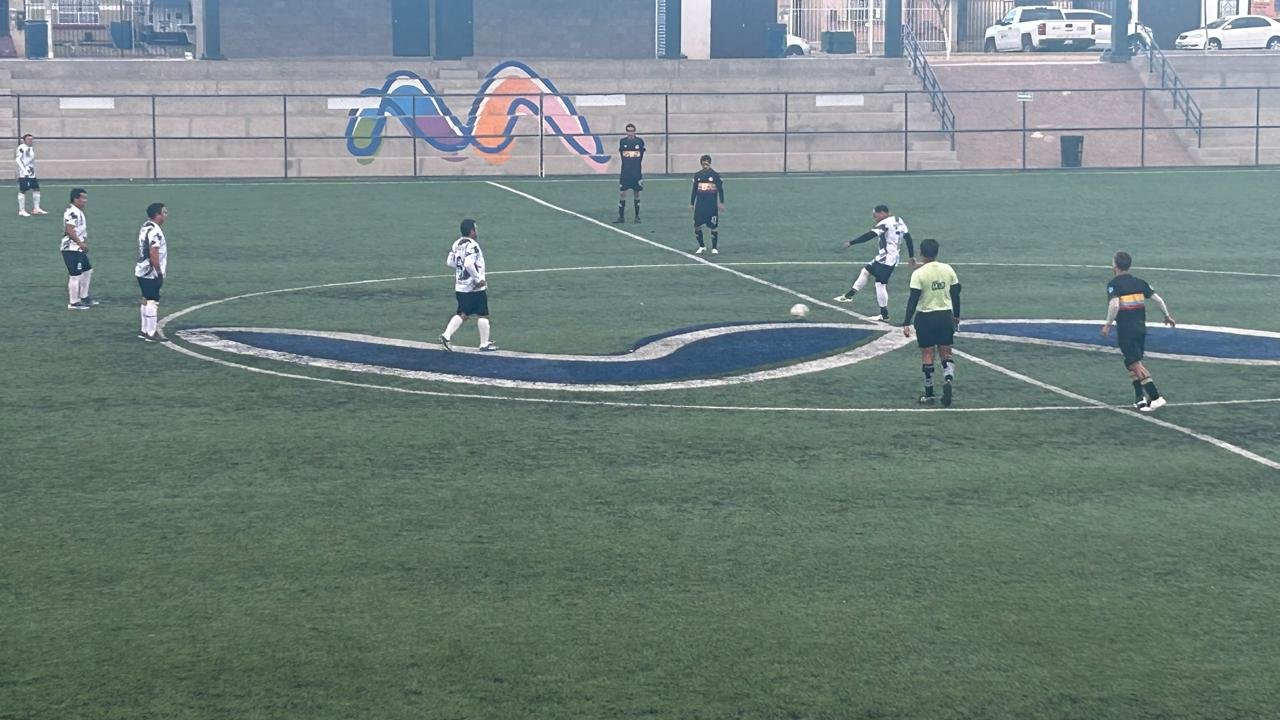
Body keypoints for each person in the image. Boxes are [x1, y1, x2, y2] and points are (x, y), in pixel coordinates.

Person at [1101, 251, 1175, 412]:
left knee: (1134, 364)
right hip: (1140, 328)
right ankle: (1139, 398)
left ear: (1115, 265)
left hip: (1126, 330)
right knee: (1130, 361)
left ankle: (1155, 397)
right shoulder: (1140, 282)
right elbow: (1158, 300)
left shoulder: (1114, 284)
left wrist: (1107, 324)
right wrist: (1167, 316)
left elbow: (1114, 305)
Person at [902, 238, 960, 407]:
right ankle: (948, 379)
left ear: (921, 253)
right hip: (945, 316)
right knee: (946, 352)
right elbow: (956, 294)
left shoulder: (918, 274)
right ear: (936, 252)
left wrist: (906, 322)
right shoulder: (948, 269)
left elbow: (913, 300)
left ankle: (929, 394)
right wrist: (956, 315)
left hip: (925, 318)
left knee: (927, 354)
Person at [834, 204, 915, 324]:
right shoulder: (899, 220)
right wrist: (911, 256)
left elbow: (870, 235)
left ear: (882, 213)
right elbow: (908, 238)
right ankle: (849, 296)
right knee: (865, 271)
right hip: (886, 258)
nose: (874, 218)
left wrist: (852, 242)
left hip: (887, 259)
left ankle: (884, 315)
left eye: (875, 216)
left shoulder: (884, 223)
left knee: (880, 284)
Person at [439, 218, 498, 352]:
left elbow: (450, 262)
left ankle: (446, 335)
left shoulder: (456, 243)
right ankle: (484, 344)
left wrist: (461, 270)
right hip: (474, 287)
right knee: (483, 314)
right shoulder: (473, 245)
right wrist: (478, 279)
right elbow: (468, 264)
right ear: (471, 231)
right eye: (475, 229)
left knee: (463, 313)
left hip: (460, 286)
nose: (476, 231)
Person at [135, 203, 169, 342]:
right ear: (157, 215)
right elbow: (153, 252)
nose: (166, 215)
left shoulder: (145, 226)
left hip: (141, 270)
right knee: (152, 301)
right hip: (150, 272)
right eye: (164, 212)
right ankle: (151, 333)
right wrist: (159, 272)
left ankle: (144, 330)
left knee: (145, 299)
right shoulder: (155, 231)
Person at [60, 188, 96, 309]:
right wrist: (80, 243)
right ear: (75, 199)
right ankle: (73, 302)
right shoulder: (73, 212)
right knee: (75, 275)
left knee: (87, 270)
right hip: (71, 248)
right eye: (83, 198)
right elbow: (69, 230)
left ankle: (84, 297)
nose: (85, 201)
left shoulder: (77, 211)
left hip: (77, 248)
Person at [690, 154, 724, 255]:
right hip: (700, 205)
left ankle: (714, 248)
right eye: (703, 164)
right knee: (697, 225)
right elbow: (694, 190)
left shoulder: (715, 175)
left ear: (710, 163)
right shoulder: (697, 175)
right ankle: (702, 246)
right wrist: (692, 203)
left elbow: (720, 190)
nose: (705, 166)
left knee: (713, 226)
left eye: (707, 164)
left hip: (711, 206)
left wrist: (721, 202)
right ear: (701, 164)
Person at [615, 123, 645, 224]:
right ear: (626, 132)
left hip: (636, 172)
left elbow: (640, 155)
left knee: (636, 193)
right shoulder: (623, 141)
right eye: (628, 131)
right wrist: (633, 155)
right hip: (625, 172)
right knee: (622, 193)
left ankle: (637, 216)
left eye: (632, 131)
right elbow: (623, 155)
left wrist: (631, 156)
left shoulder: (639, 141)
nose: (630, 133)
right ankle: (621, 217)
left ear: (635, 131)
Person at [16, 133, 47, 217]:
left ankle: (36, 209)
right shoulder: (22, 148)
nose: (30, 140)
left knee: (36, 188)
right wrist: (24, 170)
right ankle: (21, 210)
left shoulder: (31, 148)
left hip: (31, 173)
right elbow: (18, 159)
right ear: (24, 140)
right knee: (23, 190)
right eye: (28, 139)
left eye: (31, 139)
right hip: (24, 174)